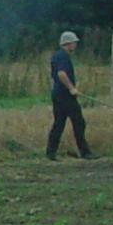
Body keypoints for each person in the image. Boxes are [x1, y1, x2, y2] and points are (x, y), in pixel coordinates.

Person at [46, 29, 92, 160]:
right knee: (79, 122)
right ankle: (85, 152)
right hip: (64, 94)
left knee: (59, 123)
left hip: (57, 93)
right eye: (74, 42)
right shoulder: (63, 56)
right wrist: (72, 88)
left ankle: (50, 152)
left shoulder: (56, 55)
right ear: (69, 43)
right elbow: (61, 74)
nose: (75, 45)